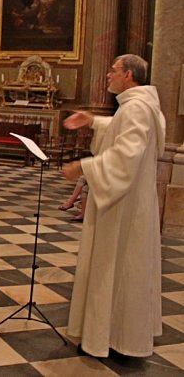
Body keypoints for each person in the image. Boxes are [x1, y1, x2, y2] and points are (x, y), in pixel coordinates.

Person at [61, 54, 166, 358]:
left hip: (123, 207)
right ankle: (120, 332)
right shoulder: (143, 106)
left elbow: (124, 157)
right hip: (133, 202)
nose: (109, 75)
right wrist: (94, 120)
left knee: (117, 266)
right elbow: (124, 131)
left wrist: (82, 166)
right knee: (126, 265)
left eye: (114, 71)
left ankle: (112, 336)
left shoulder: (136, 108)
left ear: (129, 75)